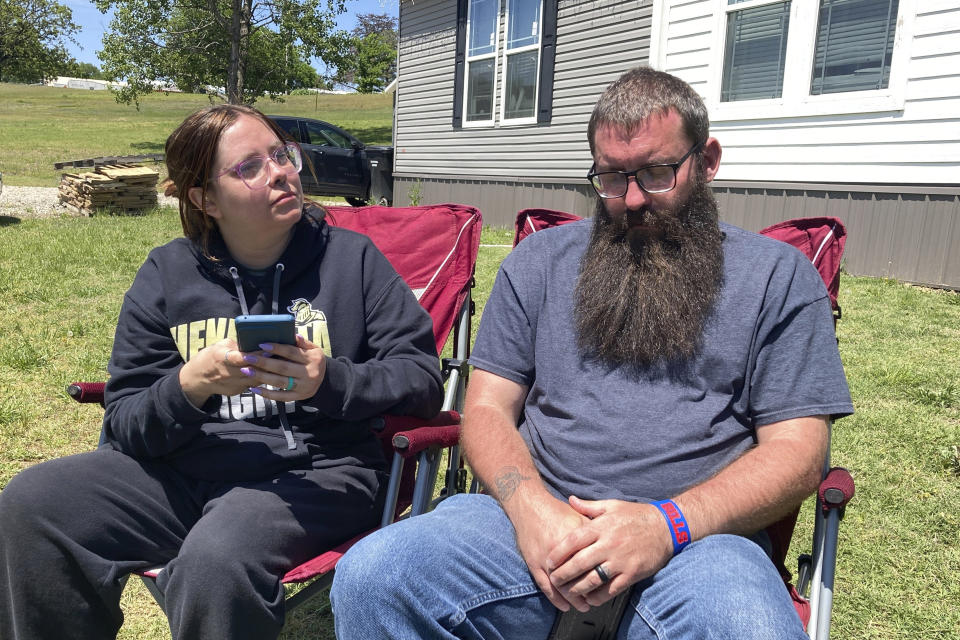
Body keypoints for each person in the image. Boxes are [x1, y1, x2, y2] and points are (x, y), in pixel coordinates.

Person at [330, 67, 854, 639]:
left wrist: (667, 526)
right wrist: (531, 509)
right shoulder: (538, 264)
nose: (630, 199)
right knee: (374, 576)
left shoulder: (777, 277)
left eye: (656, 173)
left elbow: (800, 451)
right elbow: (484, 410)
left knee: (749, 629)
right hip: (527, 526)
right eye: (609, 177)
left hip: (700, 547)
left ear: (706, 162)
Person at [0, 104, 444, 640]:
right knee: (33, 505)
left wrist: (329, 380)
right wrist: (190, 386)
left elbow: (421, 378)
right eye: (251, 166)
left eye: (282, 155)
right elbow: (126, 420)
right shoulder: (167, 274)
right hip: (184, 472)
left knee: (216, 560)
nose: (280, 171)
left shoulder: (351, 260)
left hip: (319, 473)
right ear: (205, 199)